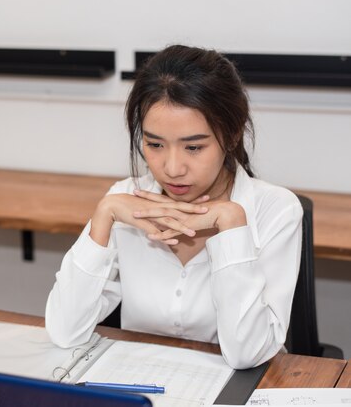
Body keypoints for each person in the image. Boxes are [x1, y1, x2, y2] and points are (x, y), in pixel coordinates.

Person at [45, 45, 302, 369]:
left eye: (194, 147)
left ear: (233, 135)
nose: (173, 168)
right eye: (154, 145)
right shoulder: (125, 199)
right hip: (138, 384)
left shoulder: (276, 210)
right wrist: (103, 215)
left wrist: (233, 225)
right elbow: (65, 333)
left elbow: (246, 354)